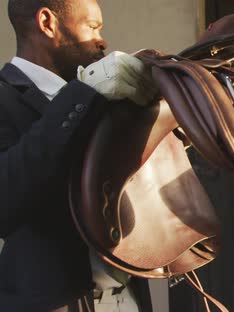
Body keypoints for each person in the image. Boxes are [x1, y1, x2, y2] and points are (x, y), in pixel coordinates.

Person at [0, 0, 156, 310]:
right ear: (48, 23)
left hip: (129, 301)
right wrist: (81, 95)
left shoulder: (104, 97)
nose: (103, 41)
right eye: (92, 26)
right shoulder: (5, 97)